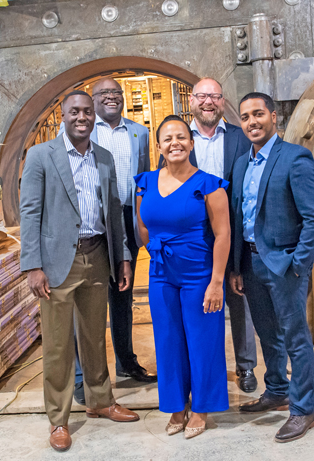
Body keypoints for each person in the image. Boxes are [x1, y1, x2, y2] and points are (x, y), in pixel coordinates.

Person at [20, 90, 140, 452]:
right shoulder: (42, 156)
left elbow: (115, 210)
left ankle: (100, 401)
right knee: (57, 346)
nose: (82, 117)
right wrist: (33, 266)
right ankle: (58, 419)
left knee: (93, 336)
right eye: (75, 111)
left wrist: (122, 258)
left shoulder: (103, 157)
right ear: (63, 114)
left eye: (87, 111)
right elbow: (29, 212)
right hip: (58, 262)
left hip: (97, 255)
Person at [229, 93, 314, 443]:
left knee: (295, 338)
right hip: (251, 262)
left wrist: (298, 263)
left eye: (258, 114)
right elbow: (240, 216)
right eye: (245, 117)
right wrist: (237, 266)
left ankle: (303, 410)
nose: (252, 122)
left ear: (273, 117)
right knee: (267, 333)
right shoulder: (241, 164)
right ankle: (276, 390)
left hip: (284, 264)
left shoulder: (295, 158)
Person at [158, 77, 258, 393]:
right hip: (195, 240)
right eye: (201, 96)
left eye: (214, 96)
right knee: (201, 307)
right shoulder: (179, 141)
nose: (208, 102)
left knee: (240, 300)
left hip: (235, 233)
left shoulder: (240, 139)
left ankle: (246, 367)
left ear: (222, 101)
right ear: (191, 101)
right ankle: (200, 373)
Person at [59, 78, 155, 406]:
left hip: (127, 216)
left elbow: (143, 179)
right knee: (88, 302)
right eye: (103, 94)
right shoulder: (81, 130)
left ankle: (127, 363)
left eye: (116, 93)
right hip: (93, 223)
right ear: (93, 100)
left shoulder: (139, 132)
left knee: (123, 293)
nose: (111, 97)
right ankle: (86, 377)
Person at [135, 115, 231, 439]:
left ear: (191, 143)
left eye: (181, 137)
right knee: (167, 341)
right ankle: (177, 405)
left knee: (202, 342)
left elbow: (223, 235)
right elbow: (144, 227)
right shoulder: (144, 183)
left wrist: (216, 281)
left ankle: (201, 407)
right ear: (158, 146)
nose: (174, 143)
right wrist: (157, 253)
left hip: (199, 276)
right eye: (167, 138)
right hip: (161, 274)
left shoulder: (209, 185)